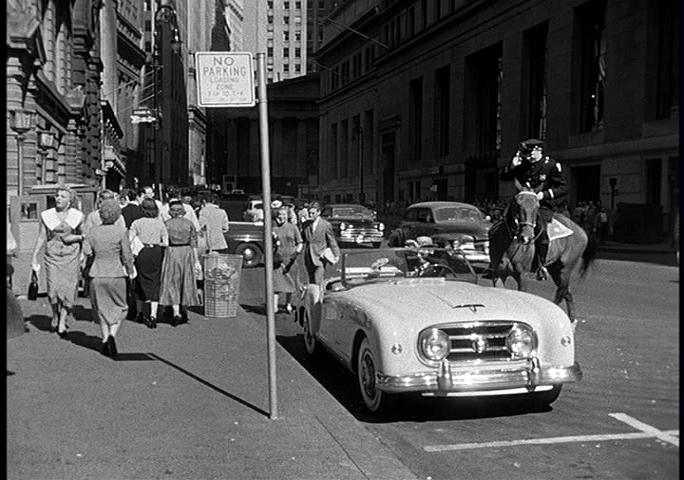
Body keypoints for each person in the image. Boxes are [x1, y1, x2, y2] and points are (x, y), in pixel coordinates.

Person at [500, 138, 568, 280]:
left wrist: (544, 194)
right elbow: (504, 177)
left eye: (531, 154)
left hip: (541, 205)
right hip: (522, 204)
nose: (529, 158)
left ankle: (540, 265)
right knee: (503, 224)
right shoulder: (522, 164)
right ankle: (497, 261)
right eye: (527, 155)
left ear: (539, 151)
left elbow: (563, 188)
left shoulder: (551, 165)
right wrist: (511, 166)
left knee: (540, 231)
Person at [82, 199, 136, 358]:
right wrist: (130, 269)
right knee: (121, 306)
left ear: (101, 214)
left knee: (100, 308)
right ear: (117, 214)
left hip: (97, 273)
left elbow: (87, 251)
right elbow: (127, 255)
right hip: (116, 273)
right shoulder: (121, 231)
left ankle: (105, 339)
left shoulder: (92, 231)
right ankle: (112, 335)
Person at [31, 186, 85, 337]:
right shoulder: (47, 215)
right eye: (57, 195)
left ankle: (62, 320)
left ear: (70, 201)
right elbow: (42, 236)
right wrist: (34, 255)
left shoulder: (77, 216)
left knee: (68, 290)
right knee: (52, 290)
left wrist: (78, 243)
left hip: (71, 256)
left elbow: (84, 234)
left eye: (63, 196)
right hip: (52, 255)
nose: (59, 198)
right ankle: (55, 313)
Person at [159, 199, 201, 326]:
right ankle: (184, 310)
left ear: (171, 212)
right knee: (186, 281)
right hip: (187, 252)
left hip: (171, 252)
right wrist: (196, 260)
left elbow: (163, 241)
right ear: (182, 211)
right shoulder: (189, 224)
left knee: (172, 282)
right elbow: (194, 243)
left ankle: (175, 312)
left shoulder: (166, 224)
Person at [129, 198, 168, 328]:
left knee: (139, 280)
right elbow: (166, 242)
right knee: (154, 281)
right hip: (155, 252)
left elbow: (130, 239)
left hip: (141, 252)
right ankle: (153, 315)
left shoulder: (136, 223)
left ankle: (139, 313)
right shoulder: (160, 224)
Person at [272, 206, 303, 313]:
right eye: (279, 214)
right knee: (276, 284)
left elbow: (300, 242)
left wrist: (296, 253)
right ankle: (274, 306)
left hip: (291, 258)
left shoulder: (293, 227)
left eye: (284, 215)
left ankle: (288, 303)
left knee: (290, 283)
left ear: (287, 216)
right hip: (278, 259)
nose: (281, 217)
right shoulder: (273, 228)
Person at [301, 201, 340, 286]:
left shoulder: (325, 225)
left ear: (319, 212)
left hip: (320, 256)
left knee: (318, 281)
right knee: (311, 282)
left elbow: (331, 240)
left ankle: (319, 298)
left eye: (313, 213)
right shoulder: (305, 225)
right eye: (309, 213)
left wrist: (336, 254)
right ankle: (313, 298)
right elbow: (302, 239)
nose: (310, 215)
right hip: (308, 257)